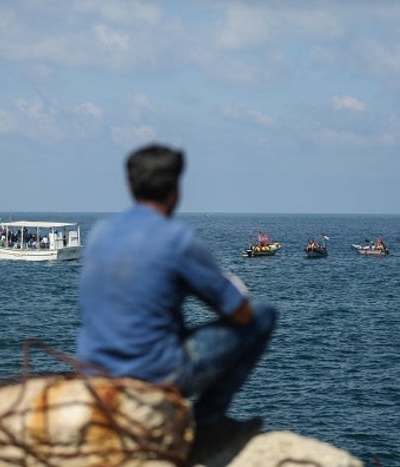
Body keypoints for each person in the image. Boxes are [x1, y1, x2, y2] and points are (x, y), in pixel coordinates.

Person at [76, 143, 277, 449]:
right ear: (176, 189)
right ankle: (208, 424)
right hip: (154, 373)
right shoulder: (176, 240)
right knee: (263, 316)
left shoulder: (100, 233)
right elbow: (240, 314)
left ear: (130, 187)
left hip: (95, 370)